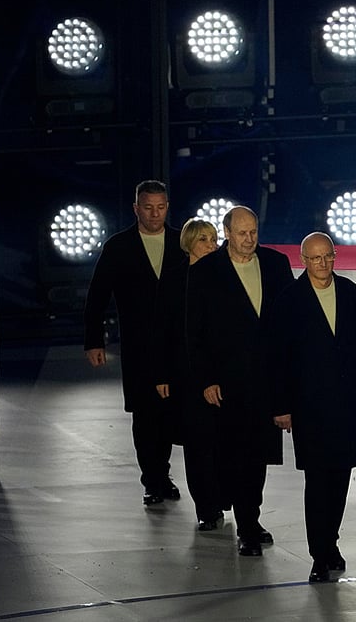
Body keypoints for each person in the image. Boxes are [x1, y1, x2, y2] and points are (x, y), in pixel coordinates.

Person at [271, 232, 356, 583]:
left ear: (334, 256)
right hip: (307, 403)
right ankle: (319, 553)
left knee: (340, 475)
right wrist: (281, 406)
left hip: (344, 401)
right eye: (315, 258)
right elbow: (278, 358)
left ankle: (330, 543)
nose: (322, 264)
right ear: (304, 260)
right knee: (317, 478)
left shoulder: (348, 291)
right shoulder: (290, 300)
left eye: (328, 256)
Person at [185, 206, 294, 556]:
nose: (249, 239)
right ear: (228, 233)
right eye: (242, 233)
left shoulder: (276, 265)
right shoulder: (206, 271)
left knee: (258, 454)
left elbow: (290, 320)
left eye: (254, 232)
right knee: (236, 454)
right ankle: (247, 524)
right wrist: (206, 378)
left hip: (267, 378)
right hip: (228, 380)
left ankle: (251, 519)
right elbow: (195, 331)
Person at [83, 179, 185, 507]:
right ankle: (152, 480)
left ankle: (162, 474)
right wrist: (93, 341)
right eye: (148, 207)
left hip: (175, 345)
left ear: (167, 206)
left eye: (161, 206)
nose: (155, 213)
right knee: (144, 414)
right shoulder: (119, 246)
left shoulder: (181, 242)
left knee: (169, 413)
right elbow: (97, 295)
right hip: (138, 346)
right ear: (136, 208)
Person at [152, 218, 222, 531]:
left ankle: (222, 500)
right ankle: (206, 508)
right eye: (205, 239)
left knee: (222, 442)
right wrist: (162, 373)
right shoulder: (174, 280)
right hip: (186, 374)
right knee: (197, 444)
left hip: (222, 371)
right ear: (190, 243)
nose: (212, 245)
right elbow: (162, 330)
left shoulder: (225, 275)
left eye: (214, 238)